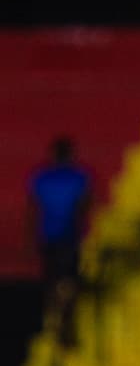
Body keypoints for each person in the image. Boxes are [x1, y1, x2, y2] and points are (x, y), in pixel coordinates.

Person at [28, 136, 90, 353]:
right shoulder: (79, 177)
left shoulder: (41, 178)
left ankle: (52, 318)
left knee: (53, 279)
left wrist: (30, 238)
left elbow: (33, 209)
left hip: (48, 237)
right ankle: (65, 321)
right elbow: (84, 207)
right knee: (69, 281)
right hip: (69, 237)